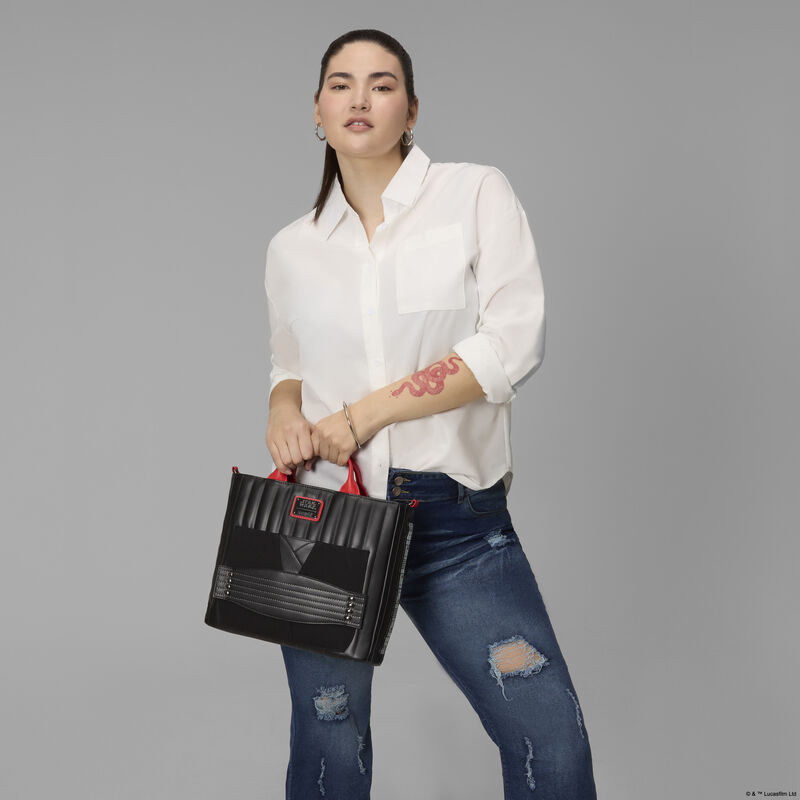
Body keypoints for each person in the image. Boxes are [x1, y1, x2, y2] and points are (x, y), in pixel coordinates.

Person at [264, 28, 598, 800]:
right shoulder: (292, 247)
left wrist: (365, 415)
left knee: (550, 740)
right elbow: (288, 368)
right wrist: (286, 412)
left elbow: (512, 344)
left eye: (381, 84)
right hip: (328, 523)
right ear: (316, 110)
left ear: (410, 110)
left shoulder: (474, 193)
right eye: (341, 84)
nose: (359, 98)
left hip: (452, 519)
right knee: (327, 749)